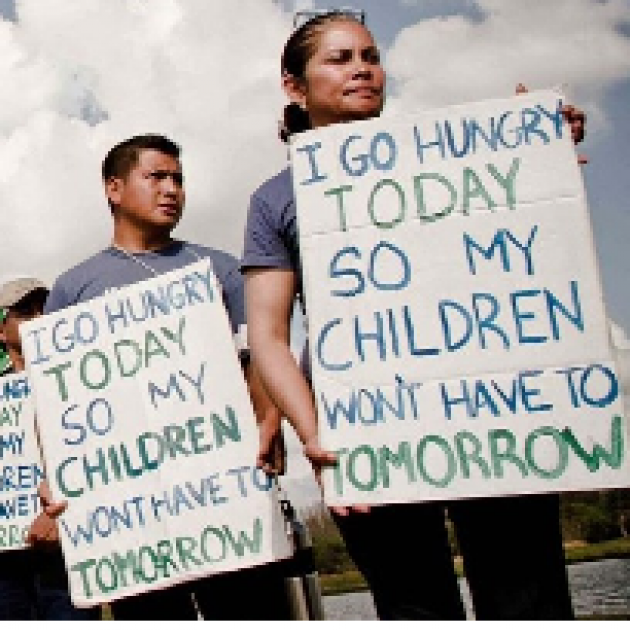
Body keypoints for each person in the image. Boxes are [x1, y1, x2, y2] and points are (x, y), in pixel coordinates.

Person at [242, 10, 586, 620]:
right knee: (414, 604)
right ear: (295, 85)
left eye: (370, 57)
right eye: (340, 59)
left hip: (493, 417)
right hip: (367, 433)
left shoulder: (457, 159)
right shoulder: (275, 199)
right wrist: (316, 437)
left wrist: (537, 151)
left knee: (528, 599)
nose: (362, 71)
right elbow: (269, 337)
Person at [35, 133, 297, 620]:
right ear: (114, 189)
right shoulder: (73, 288)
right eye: (155, 177)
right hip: (132, 524)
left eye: (178, 178)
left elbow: (260, 355)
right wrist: (55, 477)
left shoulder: (221, 269)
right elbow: (53, 401)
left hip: (227, 500)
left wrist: (270, 420)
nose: (172, 189)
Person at [0, 277, 100, 620]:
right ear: (1, 332)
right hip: (6, 563)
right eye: (24, 312)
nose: (39, 317)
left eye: (44, 308)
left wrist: (56, 512)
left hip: (66, 548)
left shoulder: (84, 381)